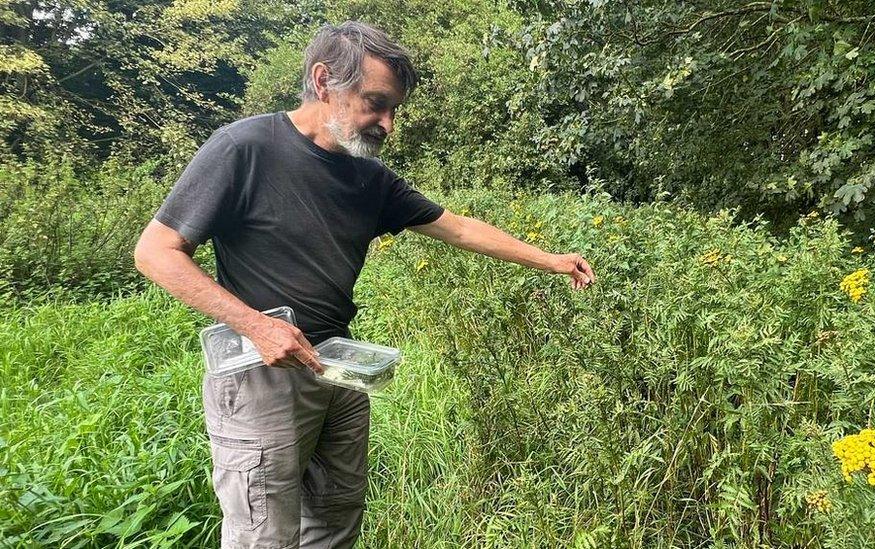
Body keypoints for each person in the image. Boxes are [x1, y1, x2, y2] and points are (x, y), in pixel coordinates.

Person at [134, 20, 596, 549]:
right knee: (265, 531)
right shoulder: (244, 148)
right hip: (260, 372)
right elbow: (155, 252)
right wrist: (257, 326)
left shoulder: (368, 177)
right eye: (376, 102)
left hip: (338, 366)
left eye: (394, 109)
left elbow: (460, 227)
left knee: (336, 516)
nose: (388, 124)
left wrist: (551, 260)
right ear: (324, 78)